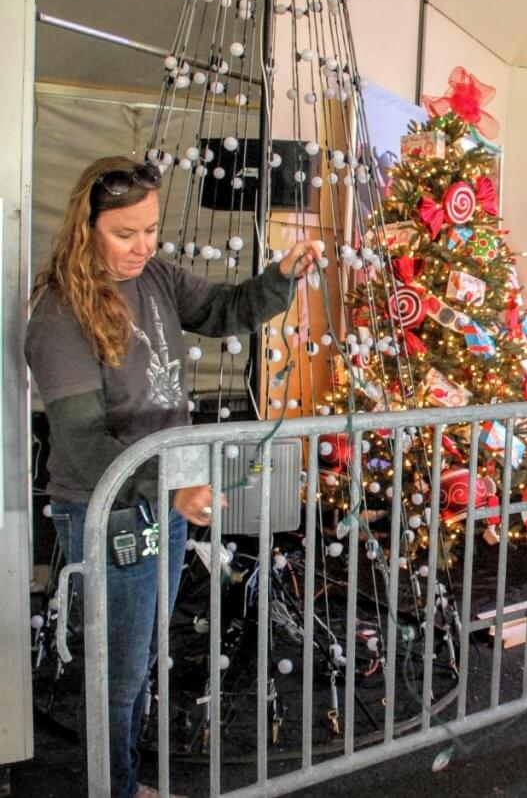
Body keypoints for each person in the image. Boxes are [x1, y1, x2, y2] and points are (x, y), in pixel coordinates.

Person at [25, 156, 323, 798]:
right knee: (118, 670)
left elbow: (222, 310)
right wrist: (170, 486)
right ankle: (117, 788)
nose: (141, 247)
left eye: (150, 229)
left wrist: (280, 276)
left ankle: (124, 785)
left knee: (136, 662)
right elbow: (80, 442)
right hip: (111, 513)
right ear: (86, 227)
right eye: (124, 233)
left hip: (163, 501)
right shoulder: (56, 316)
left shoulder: (154, 275)